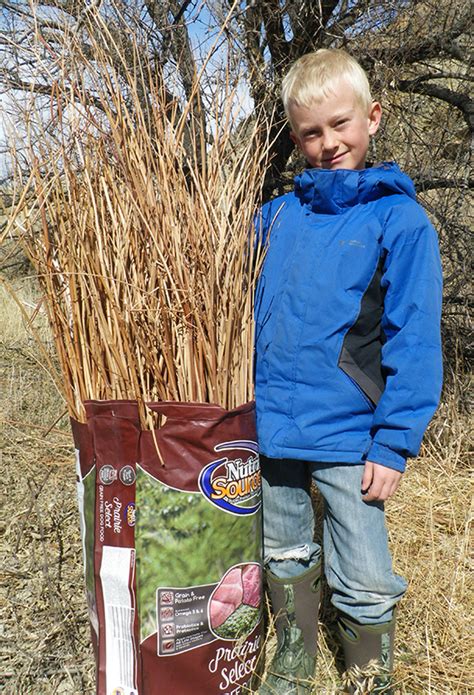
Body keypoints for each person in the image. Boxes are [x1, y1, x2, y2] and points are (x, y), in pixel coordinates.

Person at [254, 49, 443, 694]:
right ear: (295, 135)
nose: (329, 142)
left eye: (341, 124)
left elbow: (414, 338)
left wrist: (394, 442)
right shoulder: (276, 217)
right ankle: (295, 657)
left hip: (349, 432)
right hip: (273, 428)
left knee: (361, 567)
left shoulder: (401, 220)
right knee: (282, 548)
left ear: (373, 118)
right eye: (312, 132)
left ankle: (368, 673)